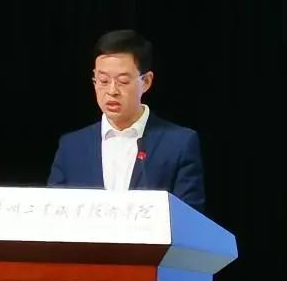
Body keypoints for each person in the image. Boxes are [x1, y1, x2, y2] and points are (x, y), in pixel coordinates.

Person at [47, 29, 206, 213]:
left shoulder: (178, 144)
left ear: (146, 81)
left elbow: (189, 217)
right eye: (103, 80)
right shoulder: (71, 147)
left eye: (122, 81)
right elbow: (53, 215)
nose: (112, 91)